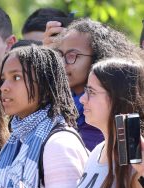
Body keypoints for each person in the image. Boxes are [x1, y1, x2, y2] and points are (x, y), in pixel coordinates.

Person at [0, 45, 89, 188]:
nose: (4, 87)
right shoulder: (17, 140)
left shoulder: (59, 145)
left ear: (44, 85)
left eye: (16, 77)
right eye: (3, 79)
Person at [48, 18, 144, 151]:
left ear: (99, 57)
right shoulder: (57, 105)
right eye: (59, 55)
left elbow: (126, 165)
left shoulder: (114, 110)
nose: (62, 64)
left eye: (72, 56)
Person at [68, 58, 144, 188]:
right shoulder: (96, 151)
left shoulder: (136, 159)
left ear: (119, 98)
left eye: (92, 92)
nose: (82, 99)